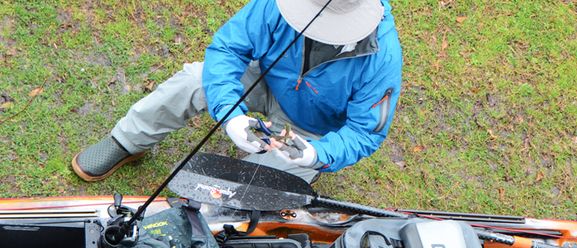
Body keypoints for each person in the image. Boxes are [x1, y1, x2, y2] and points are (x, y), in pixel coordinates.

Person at [72, 0, 402, 183]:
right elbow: (228, 50)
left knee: (261, 187)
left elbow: (364, 133)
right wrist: (230, 116)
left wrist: (317, 155)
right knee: (196, 79)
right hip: (265, 79)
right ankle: (128, 141)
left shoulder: (382, 58)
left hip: (310, 130)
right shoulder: (280, 4)